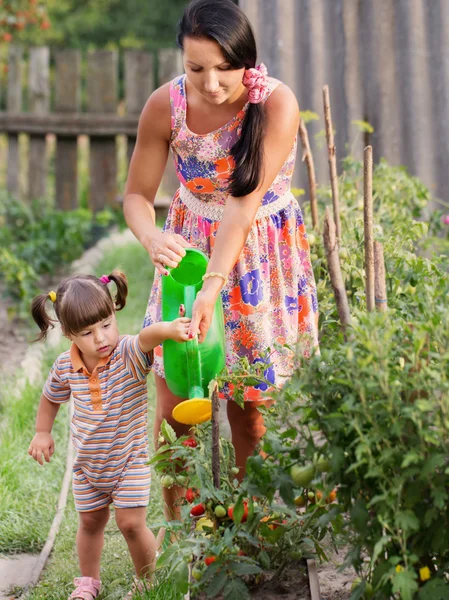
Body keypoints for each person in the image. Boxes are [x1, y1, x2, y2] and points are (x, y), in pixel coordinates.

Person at [124, 0, 319, 518]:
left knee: (248, 411)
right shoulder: (165, 106)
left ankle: (242, 528)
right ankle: (181, 537)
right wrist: (150, 238)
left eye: (224, 68)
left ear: (247, 62)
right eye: (195, 69)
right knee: (176, 405)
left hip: (257, 253)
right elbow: (137, 197)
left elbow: (241, 205)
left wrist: (216, 284)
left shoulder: (275, 105)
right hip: (188, 254)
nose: (210, 84)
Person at [28, 272, 191, 600]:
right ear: (69, 334)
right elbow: (50, 397)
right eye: (87, 333)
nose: (101, 338)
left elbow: (147, 337)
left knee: (130, 524)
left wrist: (170, 329)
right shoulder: (65, 367)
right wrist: (42, 432)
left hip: (129, 461)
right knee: (89, 523)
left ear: (113, 315)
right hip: (88, 468)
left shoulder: (127, 354)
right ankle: (88, 581)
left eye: (106, 324)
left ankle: (146, 580)